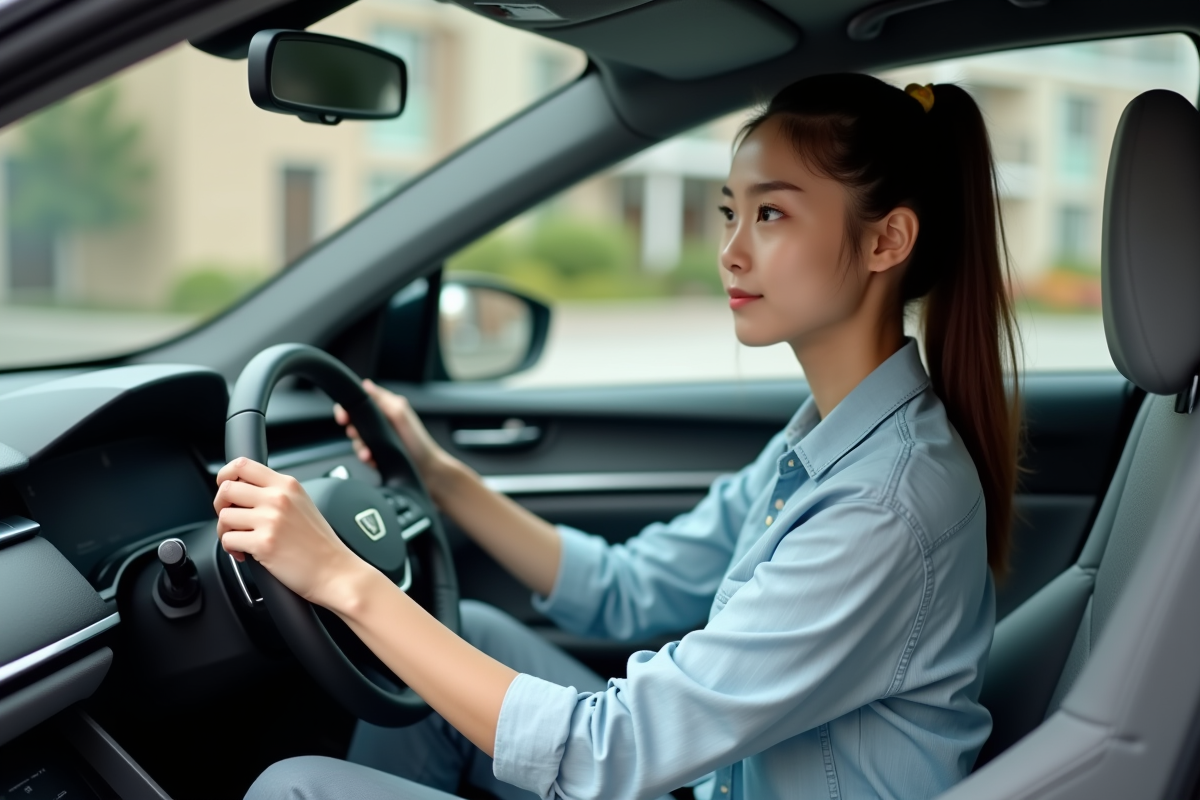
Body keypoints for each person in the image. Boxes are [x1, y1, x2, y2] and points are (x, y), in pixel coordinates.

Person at [224, 73, 1021, 800]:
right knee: (474, 637)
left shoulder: (883, 505)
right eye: (729, 212)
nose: (731, 251)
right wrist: (443, 478)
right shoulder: (832, 440)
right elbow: (629, 586)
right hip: (714, 784)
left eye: (771, 214)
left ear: (887, 241)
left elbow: (610, 753)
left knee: (295, 790)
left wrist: (339, 578)